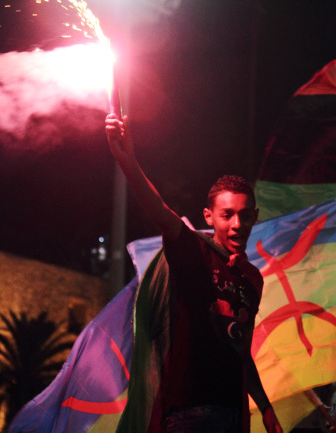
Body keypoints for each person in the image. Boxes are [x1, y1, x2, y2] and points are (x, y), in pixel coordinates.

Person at [105, 114, 282, 433]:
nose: (237, 225)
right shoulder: (194, 253)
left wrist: (266, 408)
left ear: (255, 217)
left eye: (244, 216)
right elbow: (161, 212)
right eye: (227, 215)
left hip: (233, 413)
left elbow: (240, 352)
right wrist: (127, 160)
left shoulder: (252, 279)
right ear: (209, 216)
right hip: (191, 411)